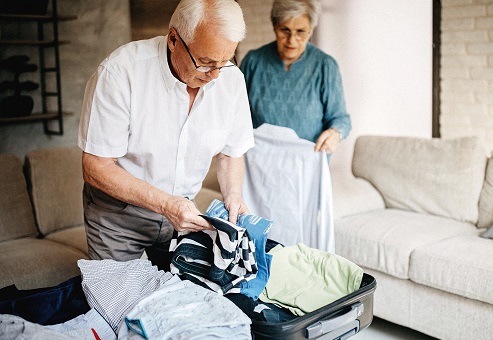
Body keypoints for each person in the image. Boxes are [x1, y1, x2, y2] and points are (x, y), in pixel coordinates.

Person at [78, 0, 254, 270]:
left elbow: (230, 153)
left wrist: (233, 194)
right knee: (117, 304)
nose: (216, 76)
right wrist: (166, 204)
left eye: (225, 62)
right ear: (174, 39)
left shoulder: (231, 80)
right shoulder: (120, 73)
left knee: (179, 301)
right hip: (118, 216)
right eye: (206, 63)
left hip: (182, 215)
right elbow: (95, 166)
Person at [239, 0, 351, 155]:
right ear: (274, 26)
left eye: (300, 31)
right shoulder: (253, 62)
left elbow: (341, 118)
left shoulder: (325, 66)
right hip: (260, 161)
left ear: (310, 30)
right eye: (285, 30)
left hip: (307, 162)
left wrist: (335, 133)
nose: (292, 40)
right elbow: (236, 114)